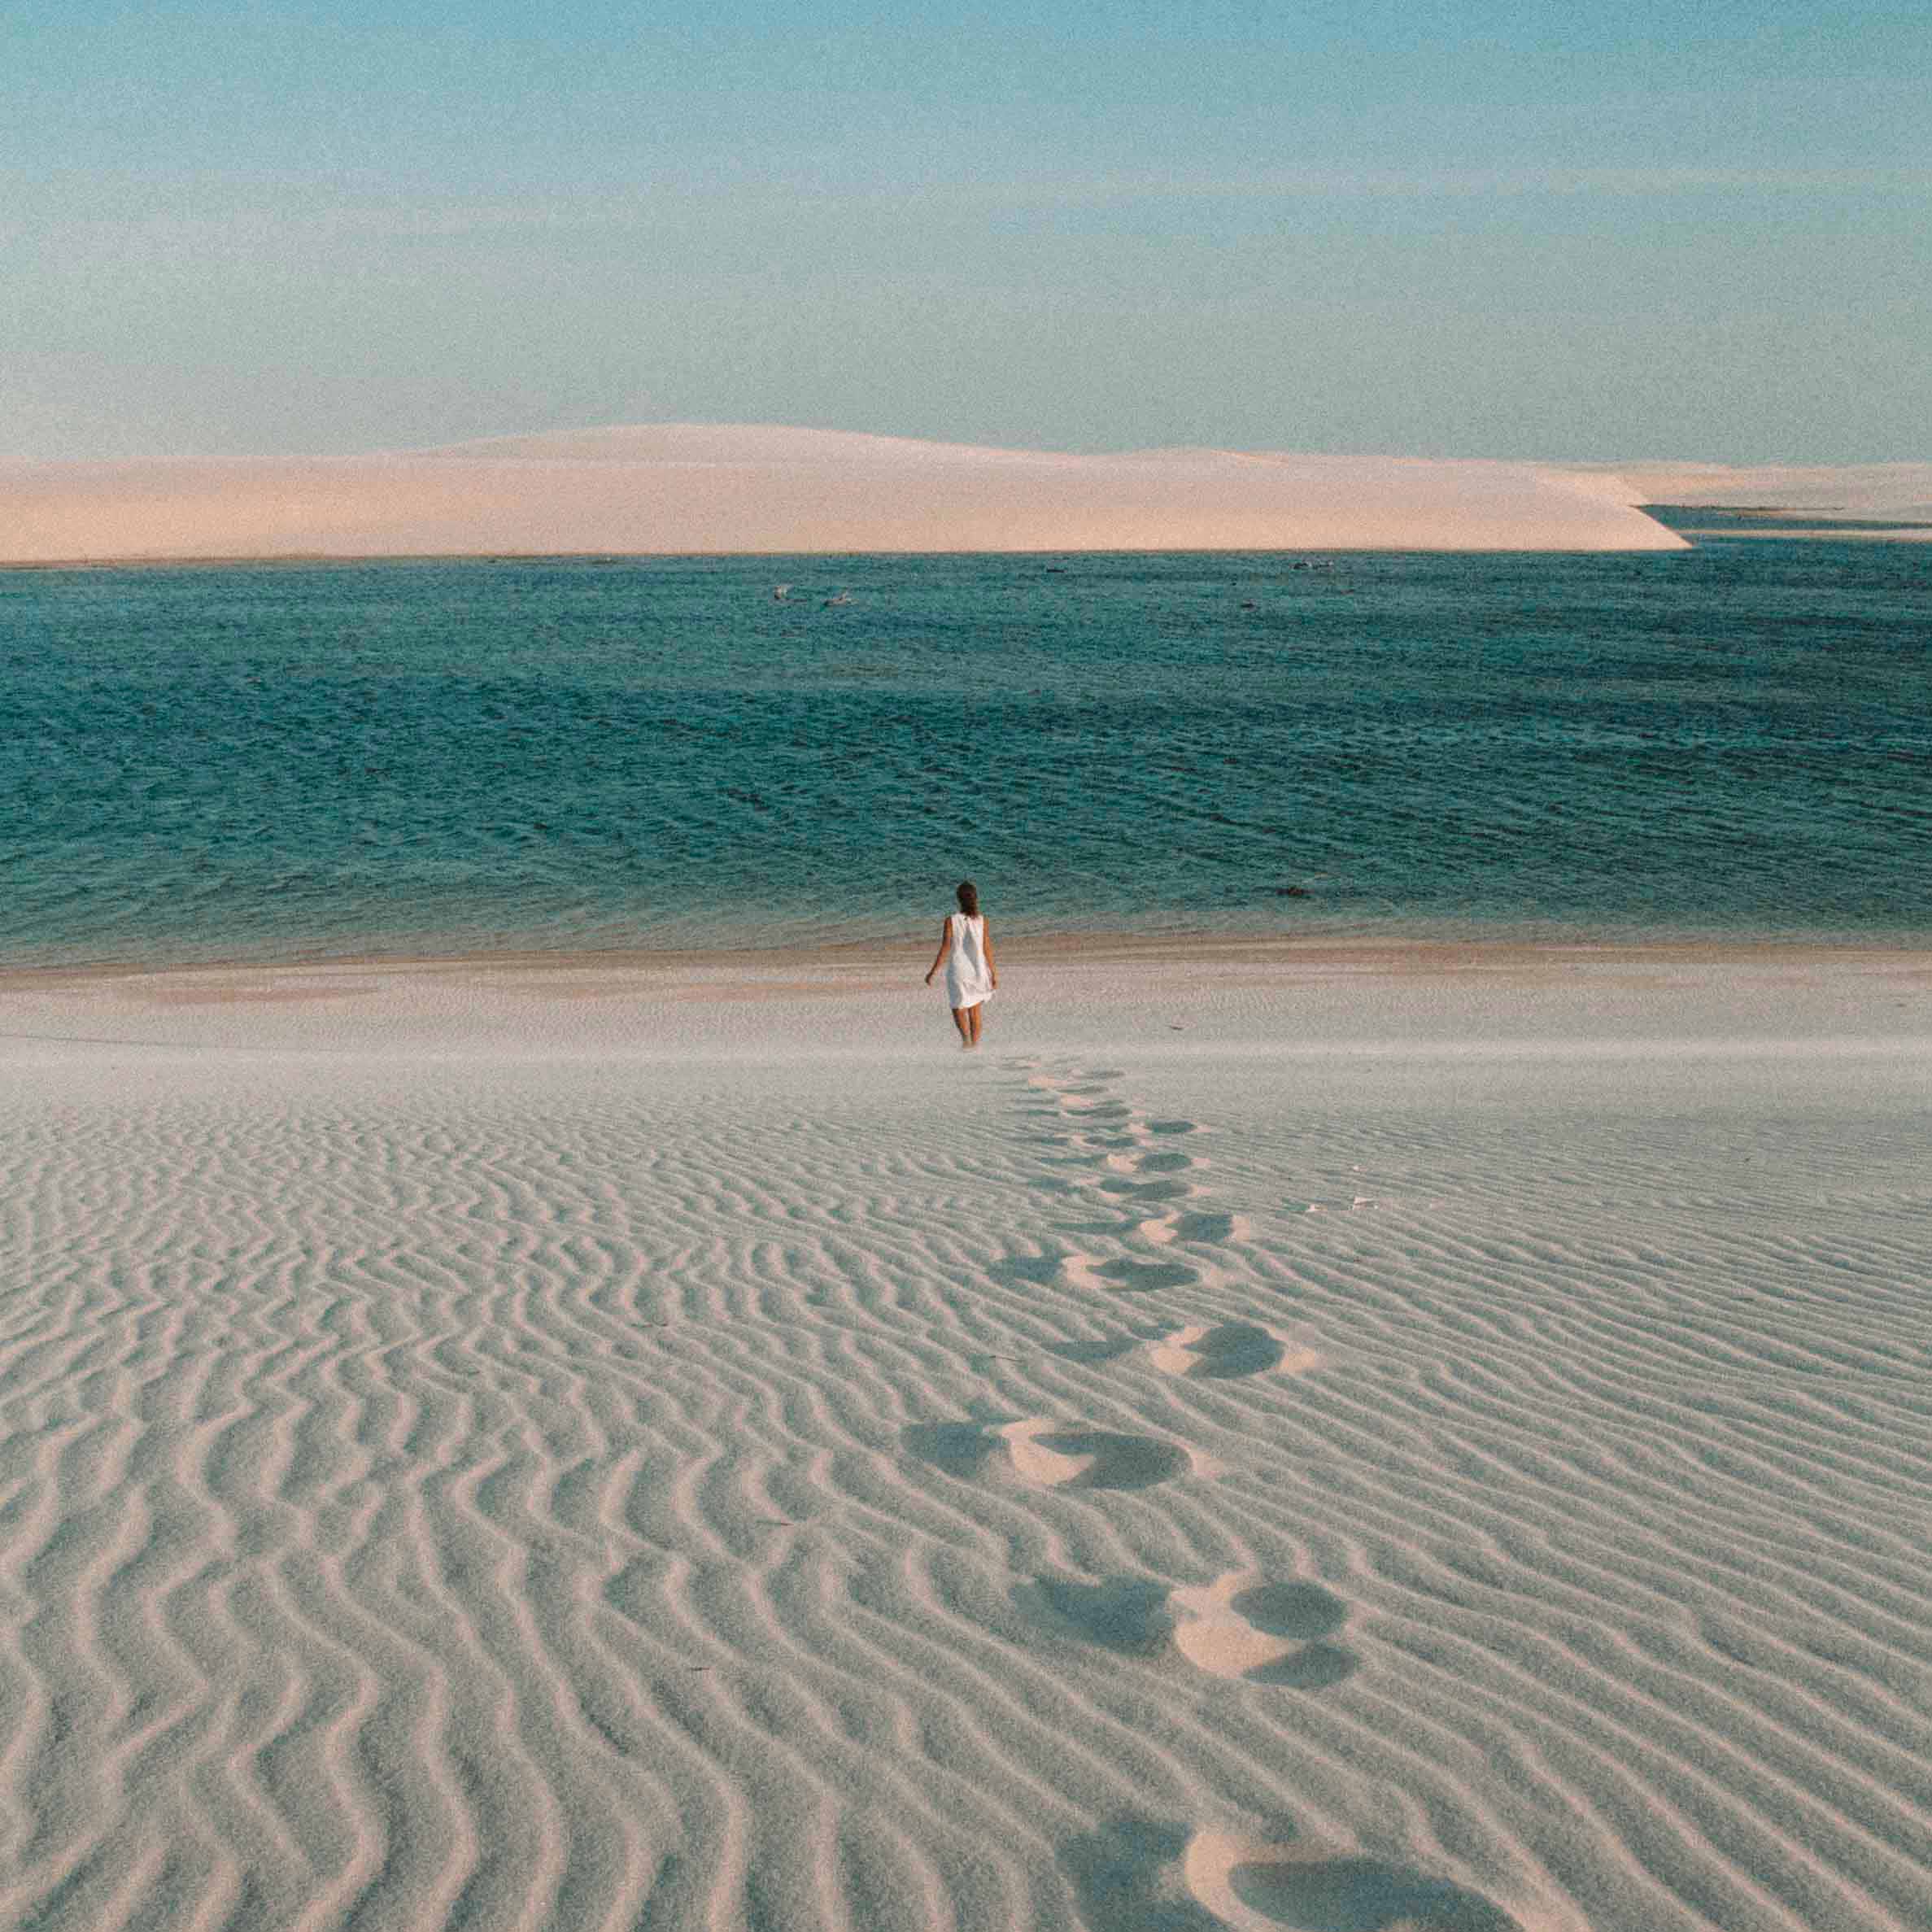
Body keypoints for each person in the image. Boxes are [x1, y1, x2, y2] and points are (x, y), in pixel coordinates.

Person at [924, 880, 998, 1048]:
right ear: (975, 899)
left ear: (959, 899)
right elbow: (987, 947)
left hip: (958, 972)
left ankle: (966, 1042)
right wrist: (993, 973)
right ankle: (975, 1044)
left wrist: (933, 972)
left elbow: (945, 948)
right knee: (975, 1010)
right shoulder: (982, 920)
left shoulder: (951, 920)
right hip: (978, 970)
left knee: (958, 1008)